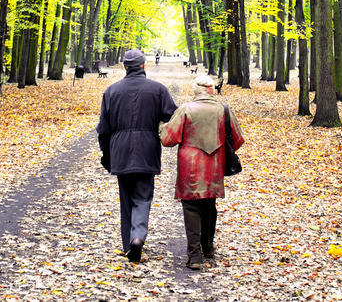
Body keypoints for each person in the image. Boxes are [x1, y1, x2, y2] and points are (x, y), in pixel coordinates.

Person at [97, 48, 177, 262]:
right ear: (143, 66)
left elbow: (103, 128)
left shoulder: (111, 91)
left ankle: (128, 245)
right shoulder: (158, 90)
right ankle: (137, 238)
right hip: (147, 150)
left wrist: (106, 154)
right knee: (142, 198)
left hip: (120, 151)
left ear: (125, 66)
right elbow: (174, 116)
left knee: (125, 199)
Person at [160, 74, 245, 270]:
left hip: (190, 167)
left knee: (191, 208)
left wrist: (160, 127)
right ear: (210, 89)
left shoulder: (185, 109)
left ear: (195, 91)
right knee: (209, 205)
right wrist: (220, 150)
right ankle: (207, 247)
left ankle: (195, 256)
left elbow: (168, 139)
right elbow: (238, 139)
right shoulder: (223, 110)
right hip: (214, 167)